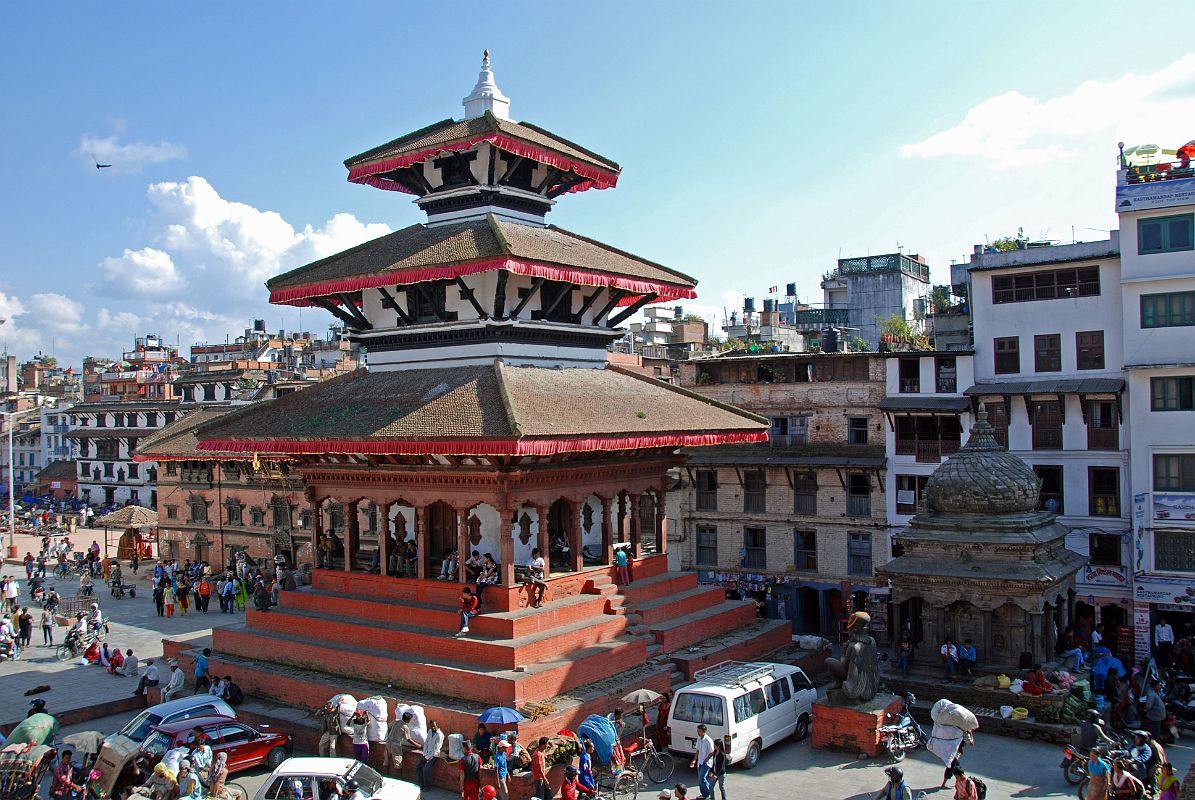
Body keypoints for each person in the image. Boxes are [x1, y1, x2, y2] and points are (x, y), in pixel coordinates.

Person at [418, 720, 444, 789]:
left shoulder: (440, 735)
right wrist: (424, 754)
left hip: (434, 755)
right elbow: (426, 743)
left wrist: (427, 757)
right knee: (418, 766)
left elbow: (436, 749)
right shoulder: (430, 731)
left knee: (426, 769)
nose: (433, 728)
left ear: (437, 725)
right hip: (426, 753)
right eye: (431, 726)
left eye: (434, 726)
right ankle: (421, 784)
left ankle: (427, 786)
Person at [691, 724, 714, 800]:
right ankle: (703, 794)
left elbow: (712, 752)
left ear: (704, 732)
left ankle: (709, 792)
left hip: (706, 763)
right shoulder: (699, 739)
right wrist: (694, 760)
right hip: (699, 762)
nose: (698, 733)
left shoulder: (708, 740)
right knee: (700, 780)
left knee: (702, 778)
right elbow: (697, 750)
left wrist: (705, 760)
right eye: (698, 731)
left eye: (700, 731)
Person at [385, 711, 412, 776]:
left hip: (388, 742)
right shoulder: (405, 727)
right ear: (407, 720)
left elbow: (389, 726)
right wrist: (418, 745)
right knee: (398, 763)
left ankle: (386, 775)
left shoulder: (396, 721)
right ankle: (399, 778)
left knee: (386, 760)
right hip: (396, 745)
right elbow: (408, 739)